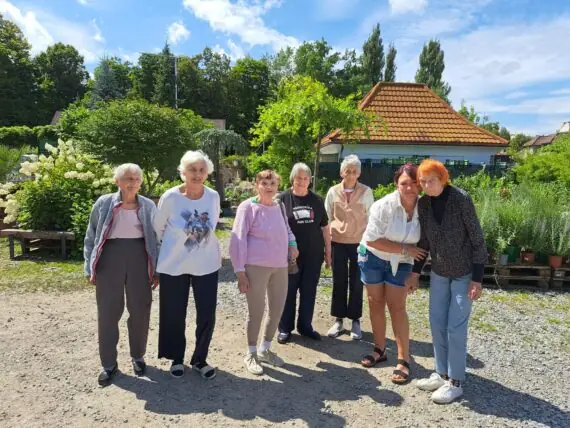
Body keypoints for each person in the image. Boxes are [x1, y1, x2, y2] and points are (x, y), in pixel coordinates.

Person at [406, 159, 486, 404]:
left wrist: (477, 279)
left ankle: (456, 382)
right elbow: (424, 241)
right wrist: (415, 272)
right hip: (439, 272)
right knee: (437, 323)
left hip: (463, 273)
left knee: (455, 327)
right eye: (422, 181)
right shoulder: (424, 204)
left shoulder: (461, 199)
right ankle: (441, 374)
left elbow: (478, 239)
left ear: (442, 179)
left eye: (431, 181)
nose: (426, 185)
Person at [84, 163, 159, 386]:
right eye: (127, 178)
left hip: (140, 256)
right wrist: (89, 266)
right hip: (109, 257)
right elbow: (91, 235)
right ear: (117, 181)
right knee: (108, 312)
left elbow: (157, 238)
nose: (132, 183)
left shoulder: (148, 205)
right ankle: (109, 364)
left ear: (140, 183)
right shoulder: (104, 203)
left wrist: (156, 268)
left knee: (140, 310)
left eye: (136, 179)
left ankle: (138, 356)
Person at [154, 150, 221, 380]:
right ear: (183, 172)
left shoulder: (213, 196)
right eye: (192, 169)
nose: (197, 174)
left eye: (202, 170)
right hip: (173, 265)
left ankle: (200, 359)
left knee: (207, 314)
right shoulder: (171, 197)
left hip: (206, 264)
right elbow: (158, 228)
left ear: (207, 173)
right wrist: (177, 245)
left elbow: (213, 224)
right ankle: (176, 358)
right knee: (173, 312)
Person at [358, 163, 426, 384]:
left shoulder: (426, 209)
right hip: (373, 257)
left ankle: (403, 359)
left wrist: (415, 274)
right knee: (375, 302)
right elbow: (372, 240)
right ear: (396, 184)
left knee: (397, 307)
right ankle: (379, 349)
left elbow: (425, 244)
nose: (409, 188)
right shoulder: (383, 206)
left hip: (404, 262)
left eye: (414, 183)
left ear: (420, 184)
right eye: (404, 183)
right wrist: (405, 249)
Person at [230, 170, 299, 375]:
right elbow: (238, 239)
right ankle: (251, 353)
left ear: (278, 186)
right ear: (257, 185)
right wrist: (240, 271)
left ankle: (265, 349)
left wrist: (293, 244)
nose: (269, 187)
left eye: (273, 183)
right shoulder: (247, 207)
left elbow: (287, 230)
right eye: (264, 183)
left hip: (280, 266)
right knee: (256, 312)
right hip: (255, 267)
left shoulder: (279, 206)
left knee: (277, 310)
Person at [277, 163, 332, 344]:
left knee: (309, 291)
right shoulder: (282, 199)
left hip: (313, 256)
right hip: (289, 257)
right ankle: (285, 328)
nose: (301, 181)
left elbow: (325, 228)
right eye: (298, 178)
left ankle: (305, 326)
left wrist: (328, 252)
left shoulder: (317, 200)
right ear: (292, 178)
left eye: (305, 178)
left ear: (310, 180)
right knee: (288, 292)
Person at [324, 154, 374, 340]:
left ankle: (355, 321)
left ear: (359, 173)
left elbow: (371, 217)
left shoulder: (366, 192)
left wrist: (369, 243)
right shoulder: (333, 192)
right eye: (348, 171)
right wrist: (327, 245)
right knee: (339, 281)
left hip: (359, 244)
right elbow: (327, 216)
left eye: (354, 171)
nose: (351, 174)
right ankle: (338, 320)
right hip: (337, 242)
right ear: (341, 173)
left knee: (357, 282)